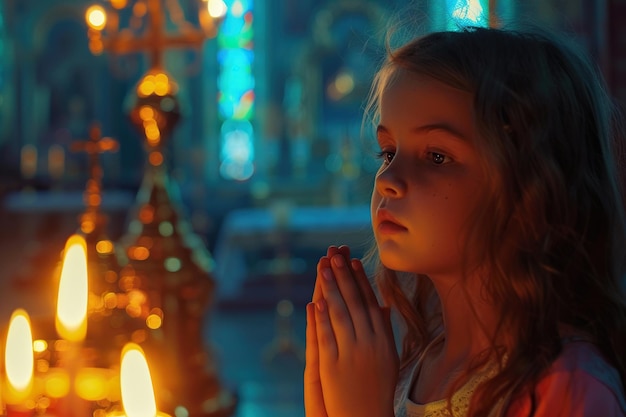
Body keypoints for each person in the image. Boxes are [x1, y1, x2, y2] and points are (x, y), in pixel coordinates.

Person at [304, 25, 626, 417]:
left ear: (530, 188)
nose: (387, 181)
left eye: (436, 156)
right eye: (388, 153)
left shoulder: (566, 387)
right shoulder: (412, 368)